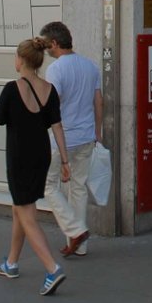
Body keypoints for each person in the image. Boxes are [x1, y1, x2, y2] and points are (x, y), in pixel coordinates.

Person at [0, 37, 70, 296]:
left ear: (21, 60)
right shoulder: (49, 89)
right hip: (41, 156)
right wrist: (65, 161)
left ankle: (52, 268)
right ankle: (11, 263)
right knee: (19, 208)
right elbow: (57, 127)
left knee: (27, 214)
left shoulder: (12, 89)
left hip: (19, 157)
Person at [40, 20, 102, 258]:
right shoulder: (90, 65)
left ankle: (75, 231)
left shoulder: (56, 69)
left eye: (47, 45)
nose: (46, 50)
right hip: (86, 136)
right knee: (78, 188)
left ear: (54, 43)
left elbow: (52, 105)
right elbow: (99, 102)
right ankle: (80, 245)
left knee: (48, 185)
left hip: (63, 139)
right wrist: (97, 133)